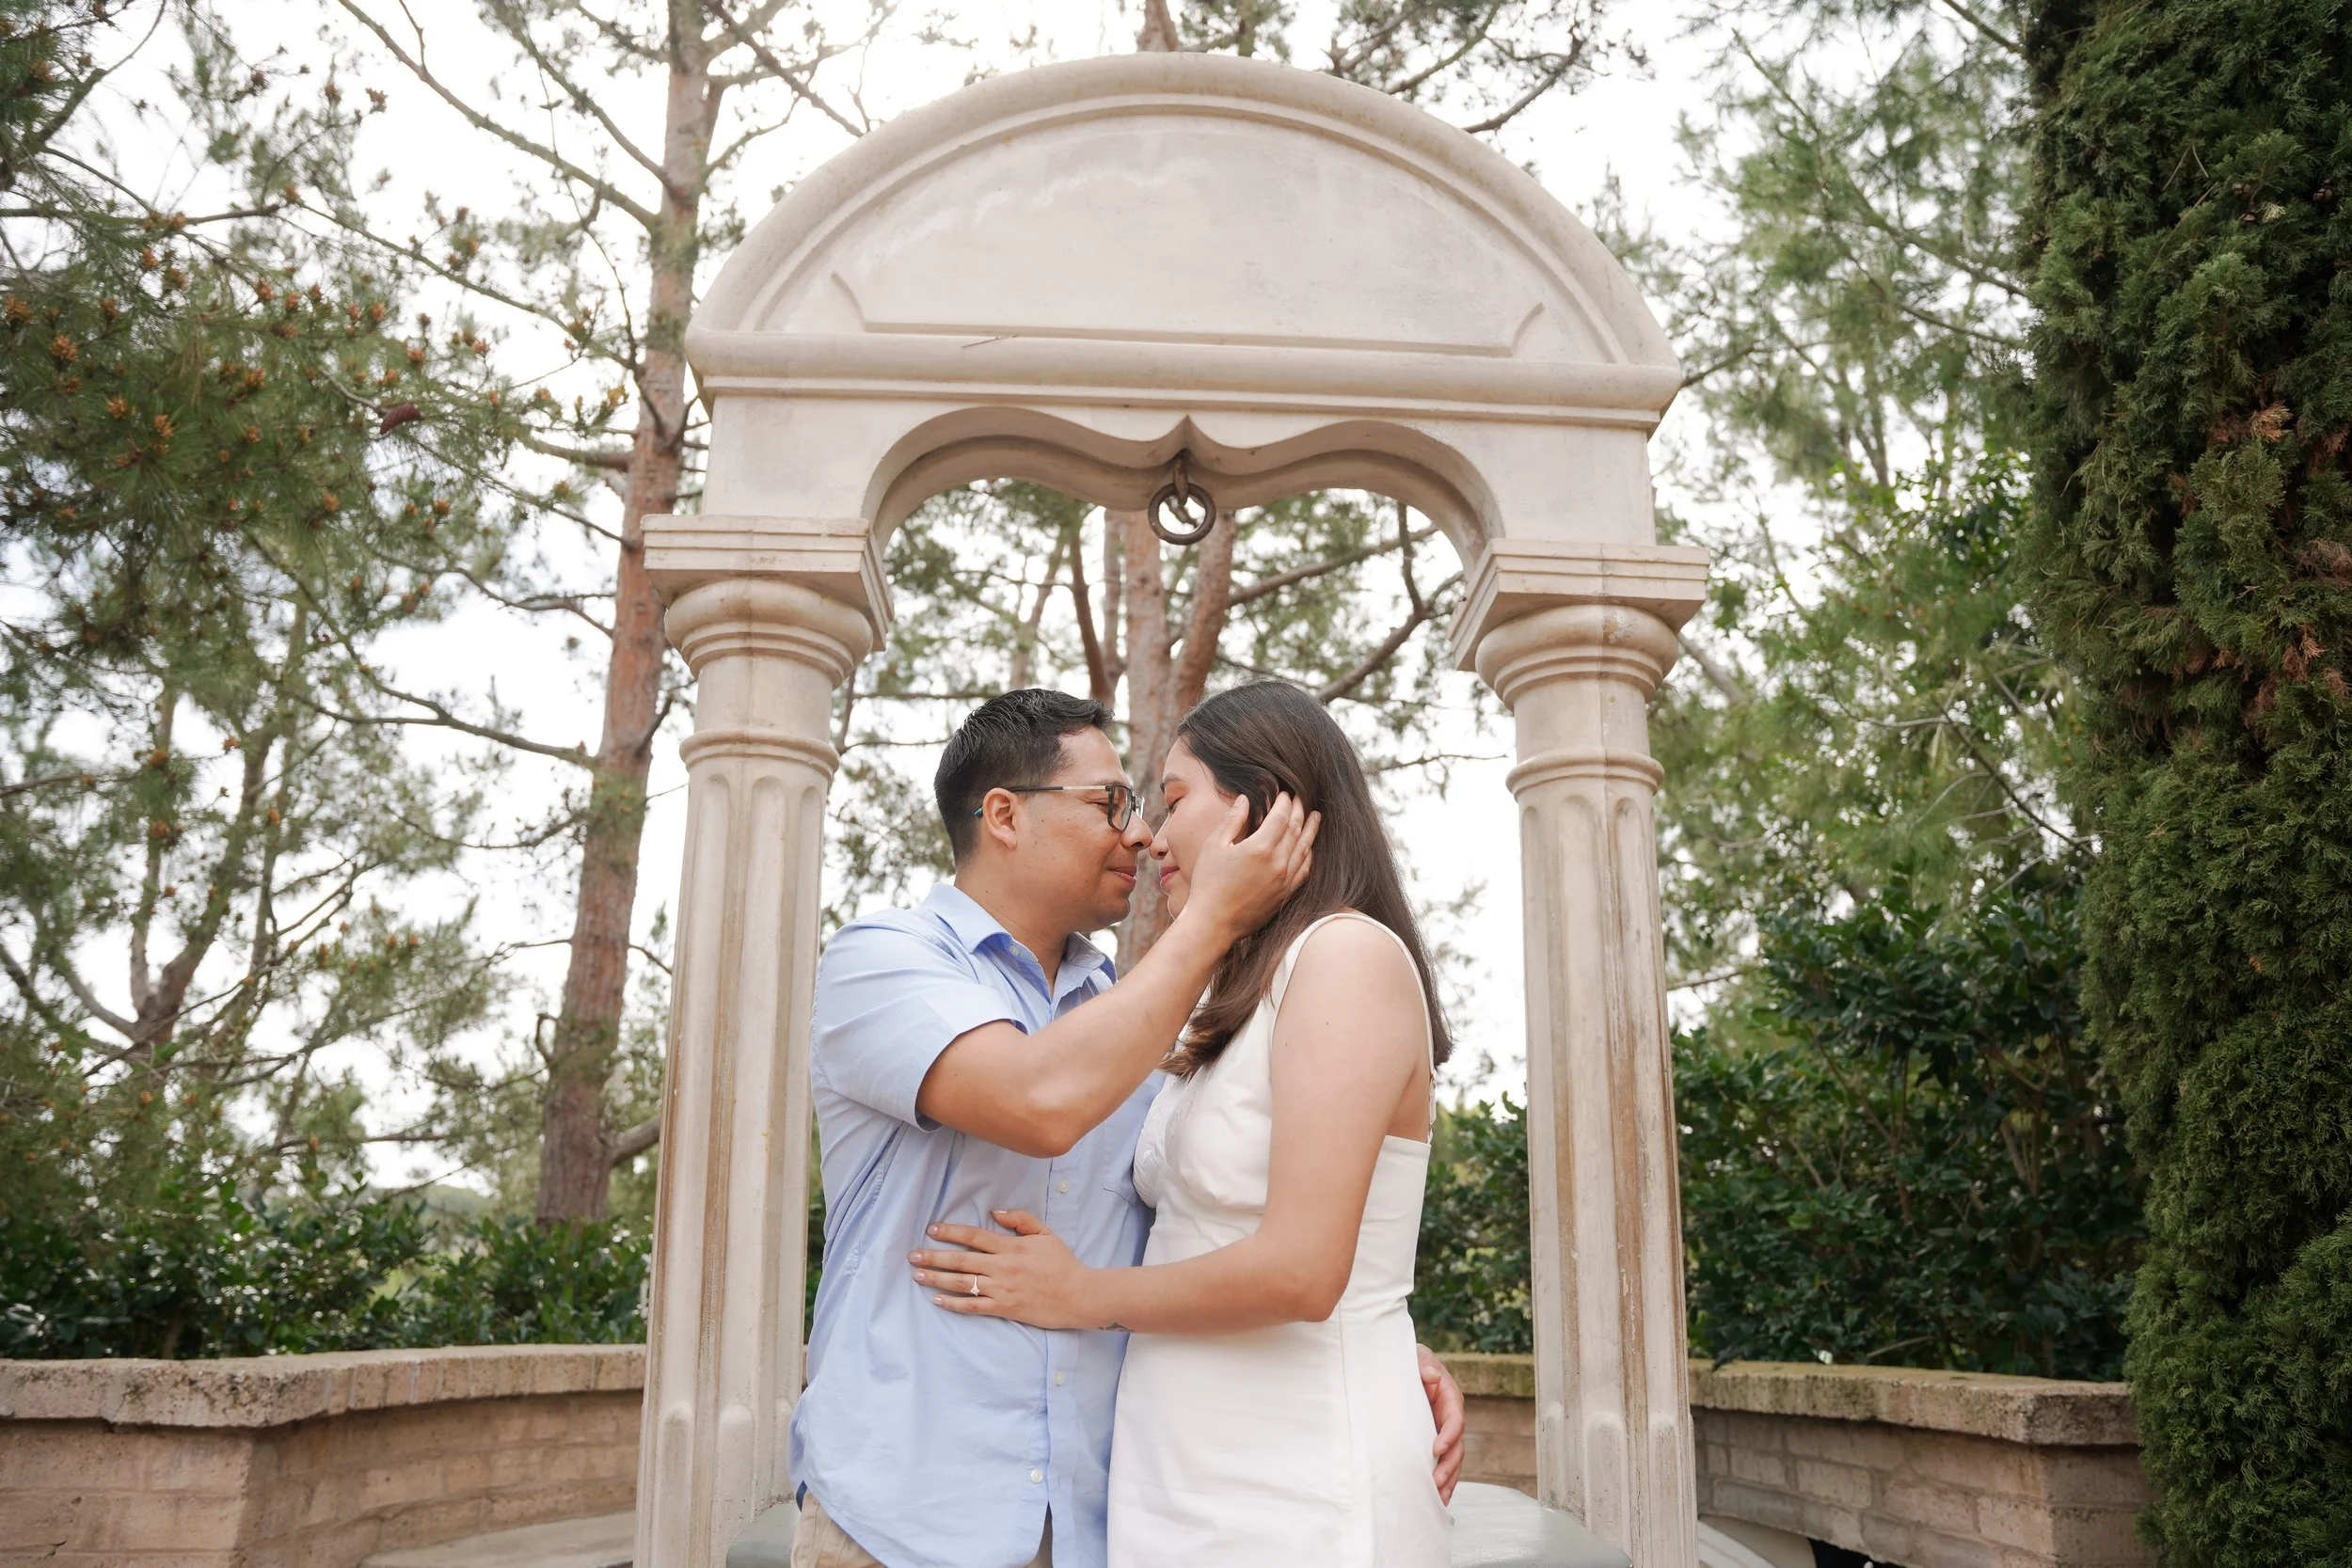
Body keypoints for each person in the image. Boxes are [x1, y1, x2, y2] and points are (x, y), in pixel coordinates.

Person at [789, 689, 1465, 1568]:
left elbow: (1213, 1224)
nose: (1142, 834)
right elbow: (1039, 1101)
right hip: (909, 1519)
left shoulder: (1142, 1014)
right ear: (1005, 815)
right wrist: (1214, 919)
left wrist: (1372, 1333)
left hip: (1100, 1520)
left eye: (1160, 803)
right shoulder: (880, 960)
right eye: (1114, 802)